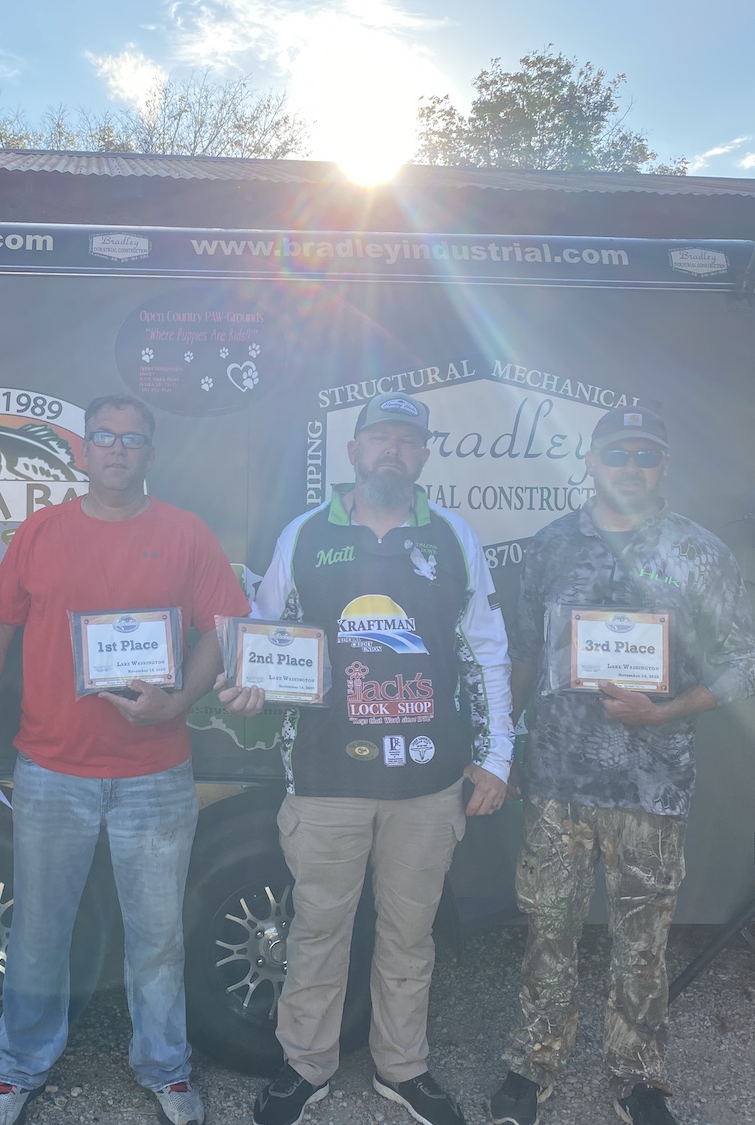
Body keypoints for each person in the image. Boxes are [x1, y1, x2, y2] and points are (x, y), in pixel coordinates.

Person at [0, 393, 257, 1125]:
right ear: (83, 451)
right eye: (104, 437)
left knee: (157, 936)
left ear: (151, 452)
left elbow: (227, 628)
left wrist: (176, 701)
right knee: (39, 931)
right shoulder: (40, 532)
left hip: (156, 774)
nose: (117, 448)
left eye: (132, 438)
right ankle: (18, 1066)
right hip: (52, 770)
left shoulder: (185, 533)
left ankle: (165, 1067)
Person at [488, 406, 755, 1125]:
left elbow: (749, 662)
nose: (631, 467)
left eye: (646, 455)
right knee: (548, 929)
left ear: (664, 465)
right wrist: (501, 747)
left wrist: (666, 711)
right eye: (618, 454)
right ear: (591, 461)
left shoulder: (697, 552)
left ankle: (638, 1075)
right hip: (557, 781)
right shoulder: (550, 546)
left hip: (653, 784)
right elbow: (522, 654)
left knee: (642, 942)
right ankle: (533, 1062)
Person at [248, 391, 514, 1125]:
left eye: (407, 440)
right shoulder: (304, 533)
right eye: (380, 438)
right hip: (325, 778)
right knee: (318, 931)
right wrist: (248, 683)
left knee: (409, 935)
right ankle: (305, 1067)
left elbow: (486, 651)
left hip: (427, 781)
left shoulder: (453, 536)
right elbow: (265, 634)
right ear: (354, 451)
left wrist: (497, 756)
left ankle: (403, 1068)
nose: (392, 450)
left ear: (423, 455)